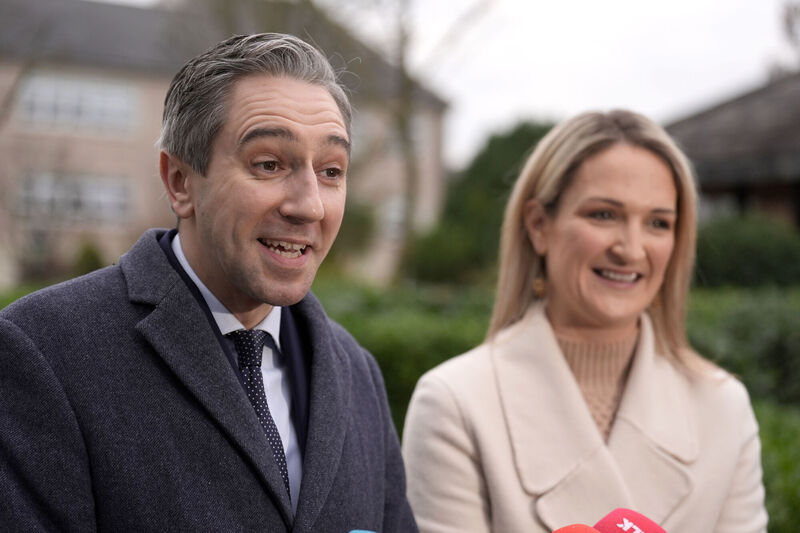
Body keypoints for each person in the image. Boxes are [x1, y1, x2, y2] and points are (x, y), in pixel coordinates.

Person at [0, 33, 417, 532]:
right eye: (269, 164)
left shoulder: (357, 373)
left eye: (331, 170)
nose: (309, 205)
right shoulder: (42, 352)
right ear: (180, 182)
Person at [402, 110, 768, 532]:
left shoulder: (724, 408)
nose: (631, 249)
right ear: (539, 225)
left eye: (657, 223)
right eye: (604, 215)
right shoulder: (456, 404)